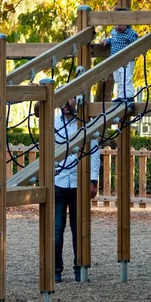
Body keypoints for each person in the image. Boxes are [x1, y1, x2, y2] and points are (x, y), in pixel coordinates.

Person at [52, 97, 100, 283]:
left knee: (78, 227)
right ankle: (56, 270)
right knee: (57, 228)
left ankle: (80, 268)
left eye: (69, 100)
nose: (65, 104)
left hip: (79, 180)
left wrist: (92, 179)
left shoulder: (86, 124)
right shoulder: (54, 123)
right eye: (63, 99)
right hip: (59, 180)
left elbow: (94, 152)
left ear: (78, 100)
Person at [103, 7, 139, 102]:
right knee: (118, 79)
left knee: (126, 79)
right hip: (115, 60)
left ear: (127, 22)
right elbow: (114, 41)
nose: (117, 26)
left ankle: (129, 97)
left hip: (126, 61)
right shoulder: (114, 32)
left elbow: (136, 43)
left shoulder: (130, 33)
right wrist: (107, 41)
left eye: (120, 24)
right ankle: (121, 97)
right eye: (115, 24)